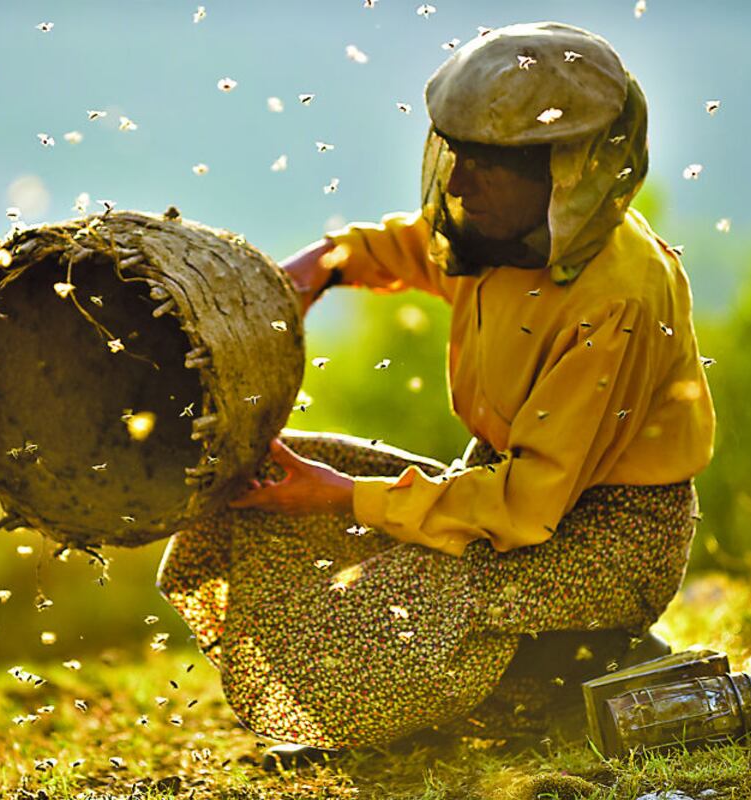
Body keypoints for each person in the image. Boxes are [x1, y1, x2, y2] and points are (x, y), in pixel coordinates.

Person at [155, 21, 715, 769]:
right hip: (509, 494)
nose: (457, 184)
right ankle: (538, 672)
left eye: (486, 165)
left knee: (391, 602)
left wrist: (338, 498)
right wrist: (319, 267)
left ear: (569, 167)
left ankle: (581, 666)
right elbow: (415, 246)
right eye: (459, 155)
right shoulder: (505, 231)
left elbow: (523, 506)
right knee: (279, 475)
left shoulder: (615, 299)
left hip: (608, 539)